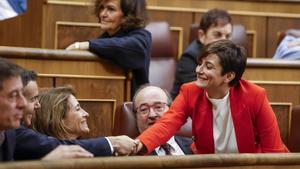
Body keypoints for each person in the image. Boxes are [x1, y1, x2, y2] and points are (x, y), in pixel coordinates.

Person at [135, 40, 288, 155]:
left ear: (228, 76)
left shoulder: (255, 96)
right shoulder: (190, 92)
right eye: (200, 63)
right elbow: (166, 124)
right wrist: (138, 144)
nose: (198, 70)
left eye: (208, 67)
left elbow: (273, 149)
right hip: (209, 164)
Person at [14, 68, 139, 160]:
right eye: (78, 108)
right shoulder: (16, 134)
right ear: (57, 119)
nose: (87, 114)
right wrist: (112, 143)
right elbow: (57, 147)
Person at [66, 0, 151, 95]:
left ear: (127, 15)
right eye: (102, 8)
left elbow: (134, 48)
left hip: (135, 105)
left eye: (111, 9)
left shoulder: (142, 36)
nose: (102, 14)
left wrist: (83, 45)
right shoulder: (104, 39)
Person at [171, 8, 232, 99]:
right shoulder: (189, 57)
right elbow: (201, 92)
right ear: (202, 36)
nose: (224, 40)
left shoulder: (229, 57)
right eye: (217, 35)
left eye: (227, 36)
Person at [133, 85, 192, 155]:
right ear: (135, 116)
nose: (152, 115)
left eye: (158, 107)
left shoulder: (193, 146)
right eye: (144, 109)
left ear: (171, 110)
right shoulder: (133, 153)